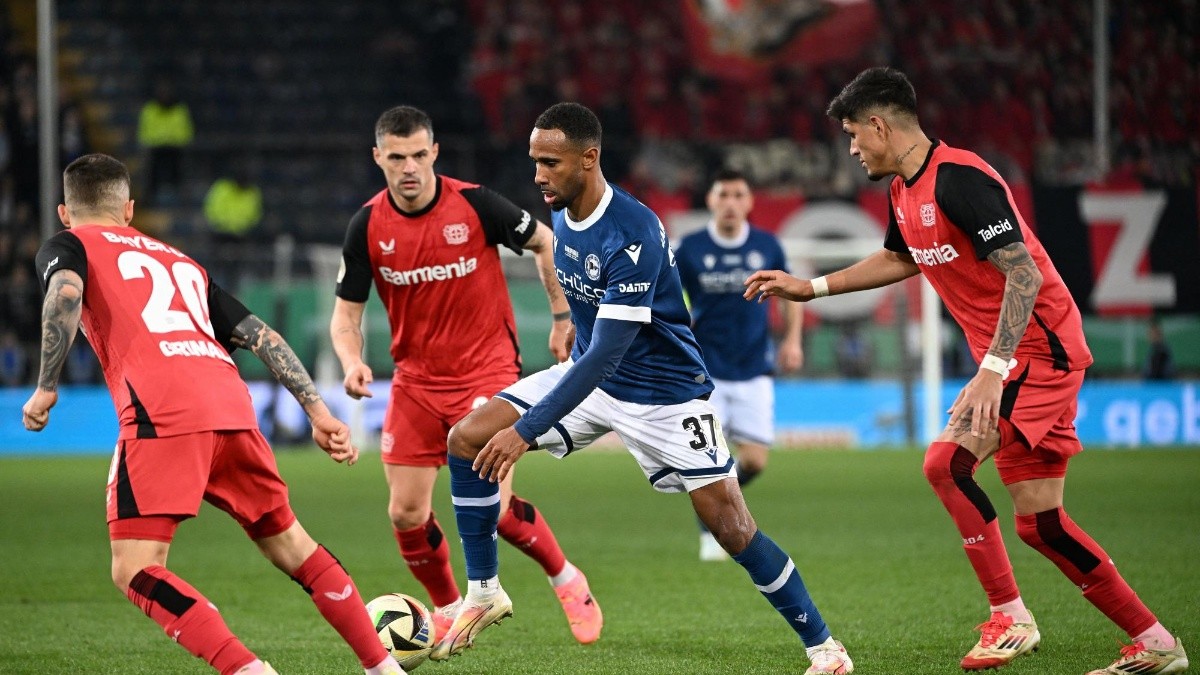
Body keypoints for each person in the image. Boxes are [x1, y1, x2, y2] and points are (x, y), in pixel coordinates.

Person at [746, 67, 1189, 675]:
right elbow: (898, 259)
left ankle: (1011, 617)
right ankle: (1157, 643)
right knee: (1041, 525)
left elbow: (1025, 274)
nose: (851, 148)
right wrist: (812, 287)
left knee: (946, 464)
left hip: (1038, 353)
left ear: (880, 124)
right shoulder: (904, 190)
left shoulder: (960, 179)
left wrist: (993, 368)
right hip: (1019, 359)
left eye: (853, 134)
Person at [433, 102, 854, 675]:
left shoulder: (633, 230)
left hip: (666, 395)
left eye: (550, 162)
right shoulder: (560, 209)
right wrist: (564, 321)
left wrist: (525, 432)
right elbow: (585, 322)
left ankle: (826, 650)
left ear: (590, 158)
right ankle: (483, 592)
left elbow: (611, 349)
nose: (538, 175)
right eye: (534, 161)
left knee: (733, 528)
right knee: (466, 437)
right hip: (593, 379)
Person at [22, 154, 406, 675]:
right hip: (233, 407)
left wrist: (47, 385)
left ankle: (248, 670)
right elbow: (261, 336)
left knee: (135, 569)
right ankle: (383, 667)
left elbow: (64, 292)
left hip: (163, 415)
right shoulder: (179, 261)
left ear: (66, 213)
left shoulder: (68, 245)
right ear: (129, 210)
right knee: (293, 544)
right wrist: (318, 411)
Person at [329, 105, 602, 645]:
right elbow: (346, 315)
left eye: (418, 155)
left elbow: (544, 240)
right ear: (378, 158)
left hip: (487, 369)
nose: (408, 168)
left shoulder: (474, 204)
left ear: (433, 153)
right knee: (406, 513)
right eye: (396, 158)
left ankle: (567, 578)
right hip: (414, 381)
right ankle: (450, 607)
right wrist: (352, 361)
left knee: (493, 509)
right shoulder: (367, 226)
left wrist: (562, 316)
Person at [674, 169, 802, 561]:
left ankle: (718, 511)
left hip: (754, 367)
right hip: (704, 370)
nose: (730, 202)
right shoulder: (690, 249)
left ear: (749, 202)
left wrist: (792, 340)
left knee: (753, 461)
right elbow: (671, 301)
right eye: (723, 193)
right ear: (711, 200)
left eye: (738, 194)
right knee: (708, 460)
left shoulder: (767, 246)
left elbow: (789, 295)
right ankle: (709, 529)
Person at [137, 79, 193, 204]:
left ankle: (182, 200)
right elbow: (144, 130)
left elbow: (186, 131)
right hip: (155, 148)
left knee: (179, 170)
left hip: (175, 148)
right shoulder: (150, 109)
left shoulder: (180, 109)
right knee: (151, 171)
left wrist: (176, 141)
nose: (164, 95)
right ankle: (148, 199)